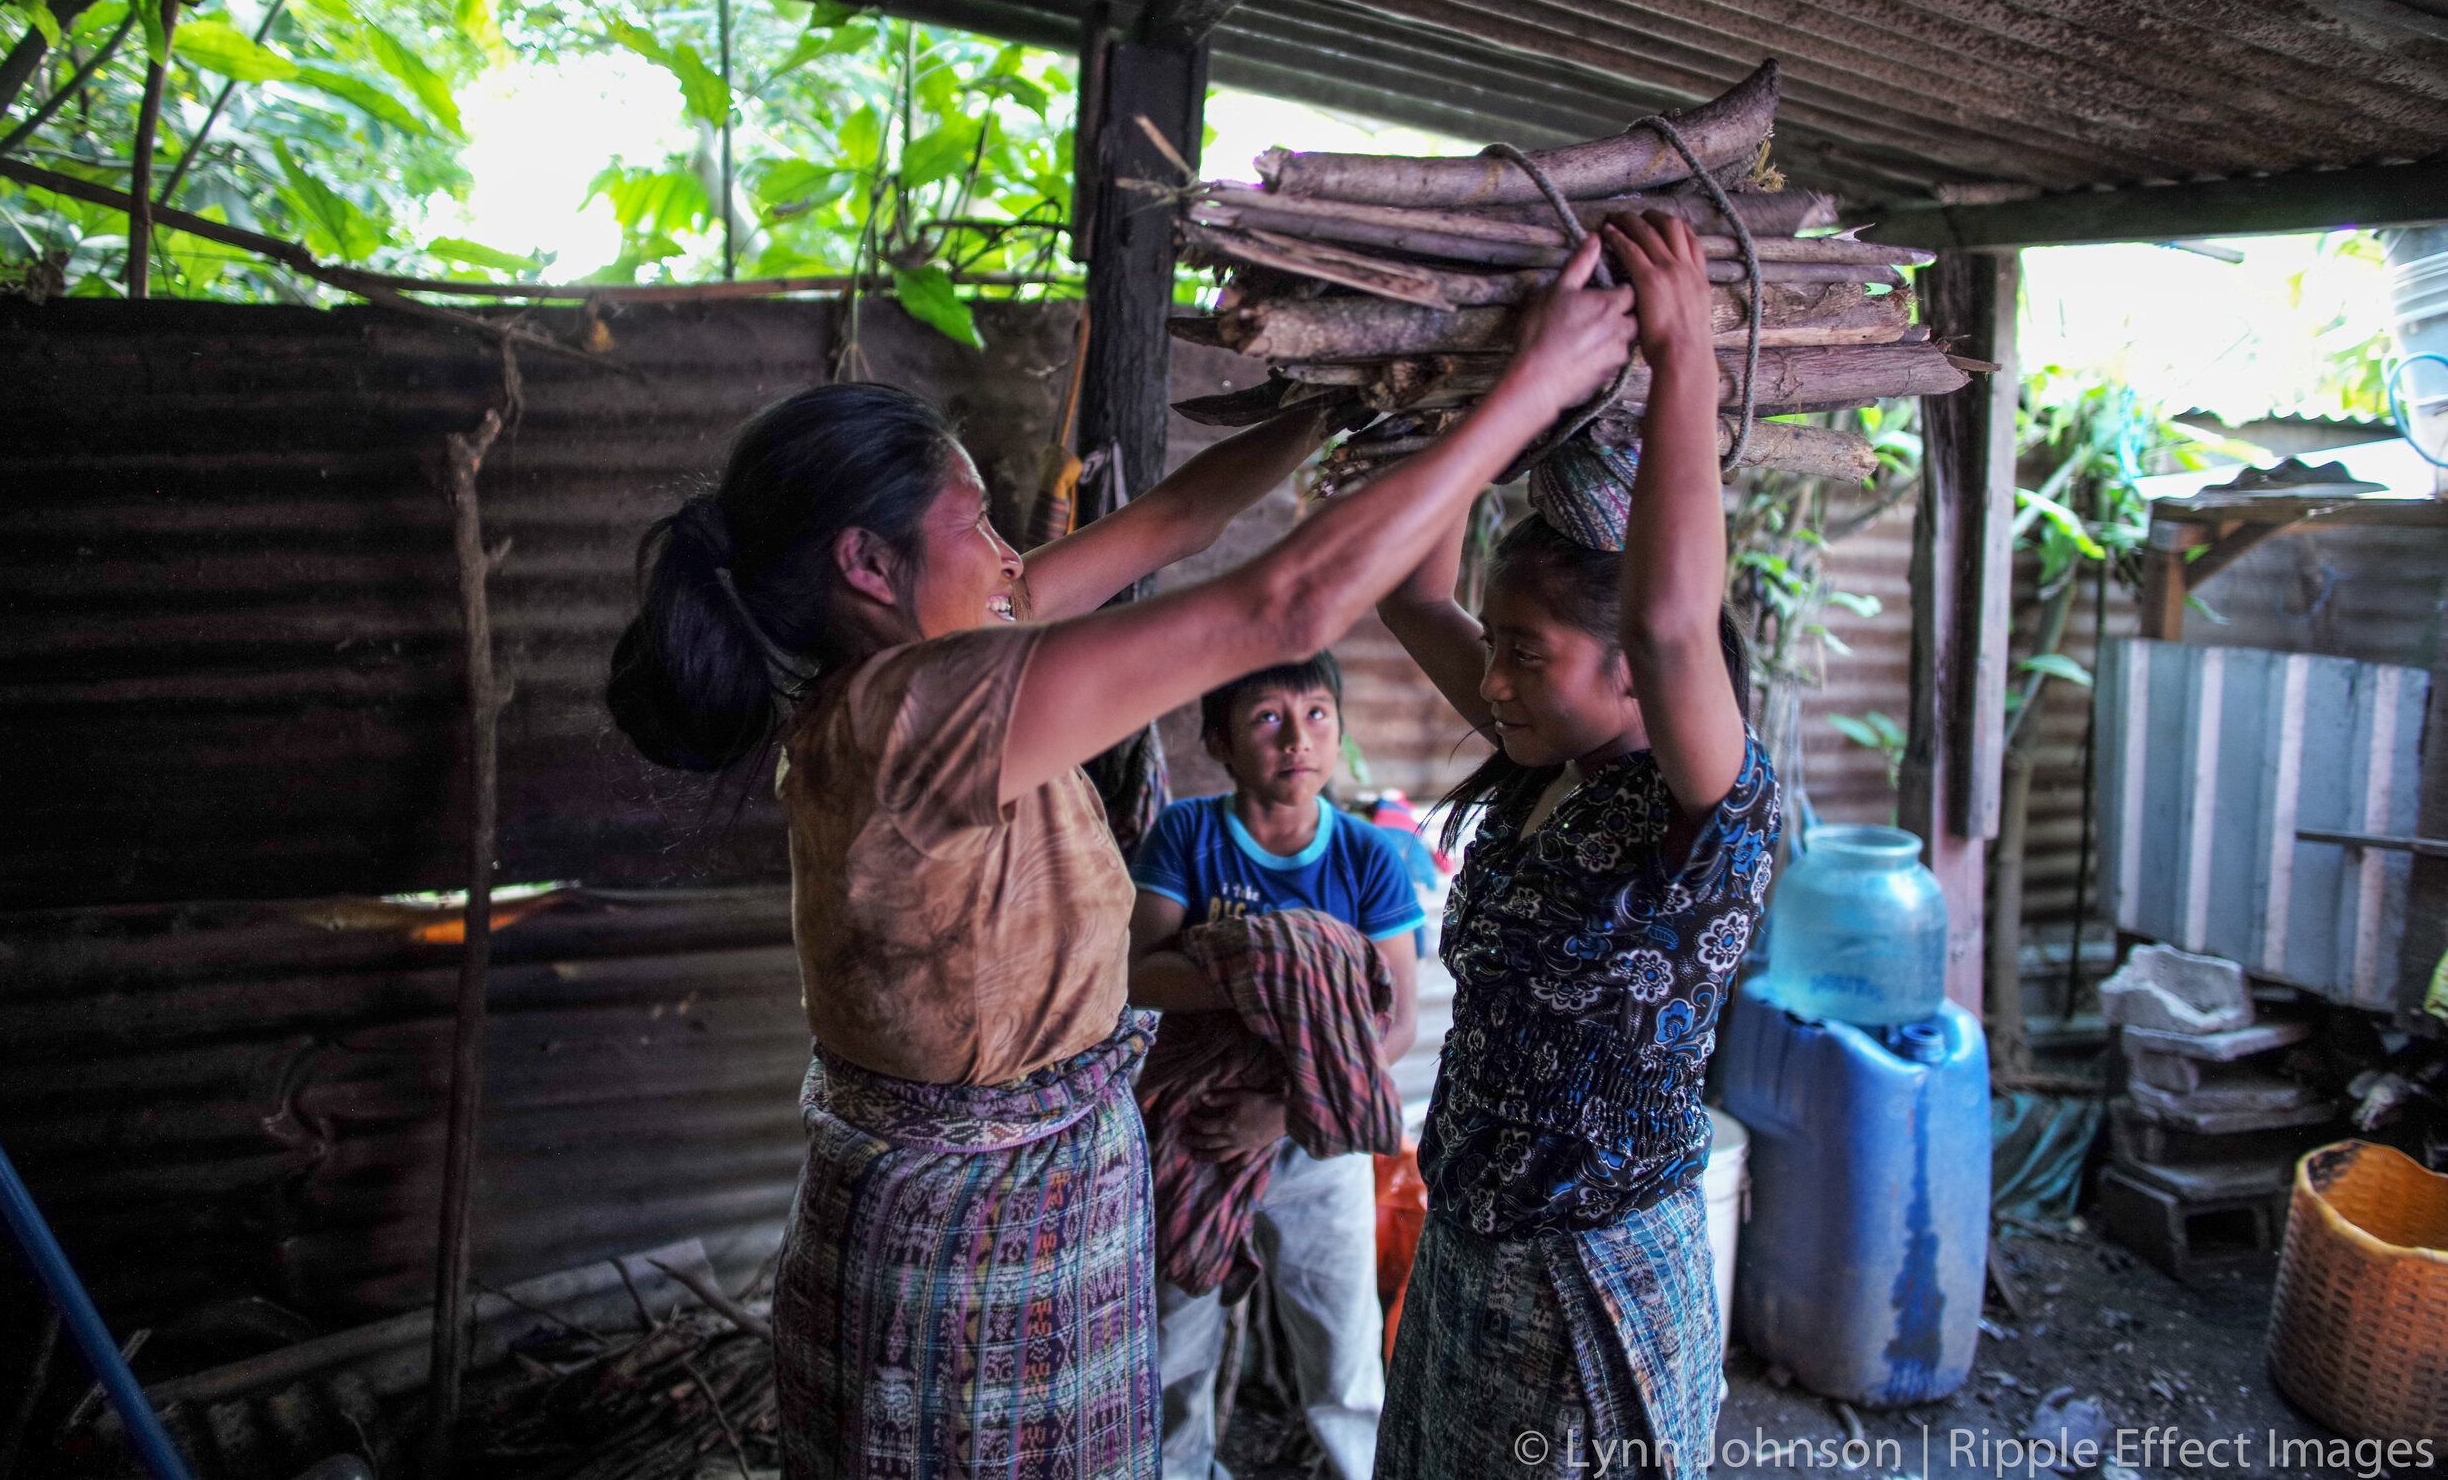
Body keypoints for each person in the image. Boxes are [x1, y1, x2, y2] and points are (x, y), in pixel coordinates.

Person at [605, 240, 1635, 1480]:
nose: (1003, 553)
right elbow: (1282, 609)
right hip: (969, 1250)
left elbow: (1175, 519)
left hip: (1028, 1209)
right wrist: (1527, 390)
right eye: (972, 522)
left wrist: (1351, 397)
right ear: (867, 567)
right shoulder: (913, 713)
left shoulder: (935, 657)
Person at [1372, 211, 1784, 1480]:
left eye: (1525, 651)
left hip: (1588, 1273)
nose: (1490, 677)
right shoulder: (1541, 761)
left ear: (1627, 673)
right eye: (1494, 643)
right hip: (1470, 1249)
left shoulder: (1700, 806)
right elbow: (1406, 591)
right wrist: (1500, 395)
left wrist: (1685, 356)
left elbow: (1674, 623)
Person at [1125, 651, 1421, 1480]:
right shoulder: (1187, 833)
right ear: (1218, 739)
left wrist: (1285, 1111)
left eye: (1318, 714)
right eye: (1268, 718)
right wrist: (1268, 953)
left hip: (1312, 1146)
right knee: (1173, 1345)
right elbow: (1137, 970)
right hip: (1199, 1135)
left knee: (1343, 1350)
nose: (1298, 737)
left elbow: (1391, 1020)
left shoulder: (1366, 855)